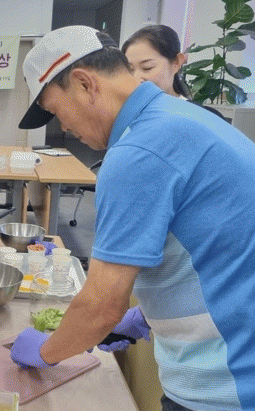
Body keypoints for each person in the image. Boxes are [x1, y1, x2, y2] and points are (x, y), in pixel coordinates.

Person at [14, 25, 255, 411]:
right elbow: (221, 247)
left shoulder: (139, 151)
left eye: (56, 111)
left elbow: (101, 306)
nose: (63, 126)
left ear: (85, 84)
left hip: (227, 388)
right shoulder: (184, 117)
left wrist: (46, 352)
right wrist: (144, 316)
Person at [122, 24, 226, 120]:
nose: (136, 78)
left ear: (176, 62)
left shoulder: (203, 118)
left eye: (147, 68)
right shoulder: (125, 118)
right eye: (130, 70)